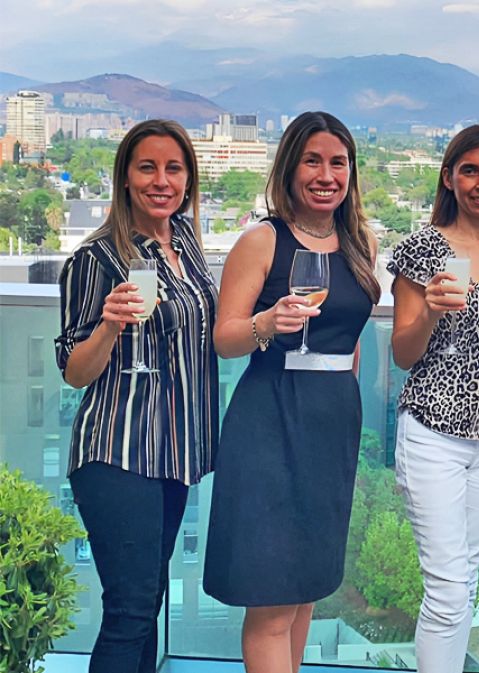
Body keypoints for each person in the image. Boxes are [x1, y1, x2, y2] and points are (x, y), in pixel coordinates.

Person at [203, 111, 380, 673]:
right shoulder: (262, 241)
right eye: (313, 160)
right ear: (289, 167)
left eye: (337, 162)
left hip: (332, 425)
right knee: (274, 598)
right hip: (270, 418)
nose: (326, 174)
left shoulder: (359, 243)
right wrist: (267, 322)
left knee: (306, 589)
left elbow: (350, 342)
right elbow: (225, 339)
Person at [55, 119, 218, 673]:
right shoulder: (95, 259)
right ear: (125, 176)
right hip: (118, 451)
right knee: (128, 610)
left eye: (174, 168)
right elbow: (74, 372)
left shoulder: (187, 243)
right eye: (147, 167)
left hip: (173, 452)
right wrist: (108, 327)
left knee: (147, 604)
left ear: (189, 179)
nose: (161, 180)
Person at [387, 125, 479, 673]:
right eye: (469, 170)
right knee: (449, 587)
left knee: (466, 581)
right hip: (433, 433)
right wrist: (429, 309)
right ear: (449, 178)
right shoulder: (422, 249)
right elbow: (403, 353)